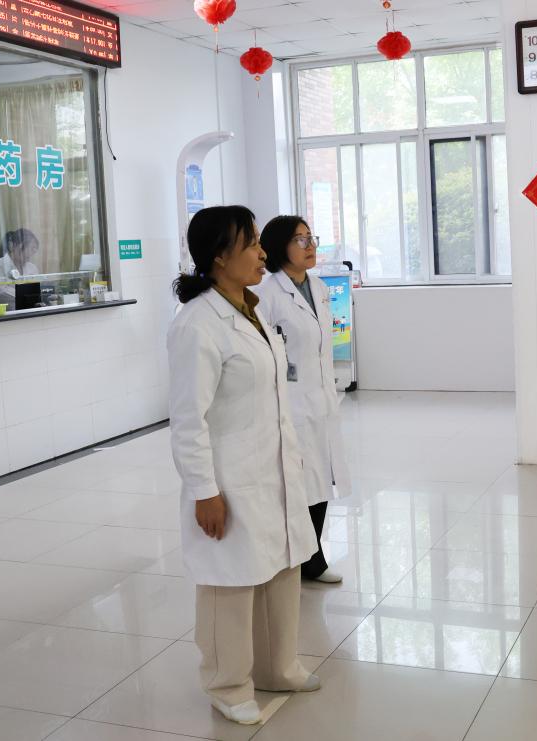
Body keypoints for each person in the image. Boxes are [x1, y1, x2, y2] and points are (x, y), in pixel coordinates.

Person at [167, 206, 322, 725]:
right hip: (230, 476)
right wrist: (204, 490)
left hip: (272, 467)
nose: (262, 252)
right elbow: (187, 419)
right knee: (229, 584)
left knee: (281, 567)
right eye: (252, 243)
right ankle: (227, 684)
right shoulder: (198, 324)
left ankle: (278, 666)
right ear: (218, 256)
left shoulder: (251, 310)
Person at [254, 215, 351, 584]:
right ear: (280, 247)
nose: (310, 246)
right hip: (290, 403)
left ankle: (311, 557)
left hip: (321, 398)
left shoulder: (319, 287)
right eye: (300, 240)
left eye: (311, 238)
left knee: (320, 478)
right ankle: (304, 558)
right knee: (299, 483)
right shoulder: (266, 294)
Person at [0, 228, 40, 308]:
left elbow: (36, 291)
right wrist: (26, 295)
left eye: (34, 250)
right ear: (14, 246)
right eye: (31, 248)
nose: (31, 253)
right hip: (5, 313)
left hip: (29, 310)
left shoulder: (32, 267)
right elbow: (0, 291)